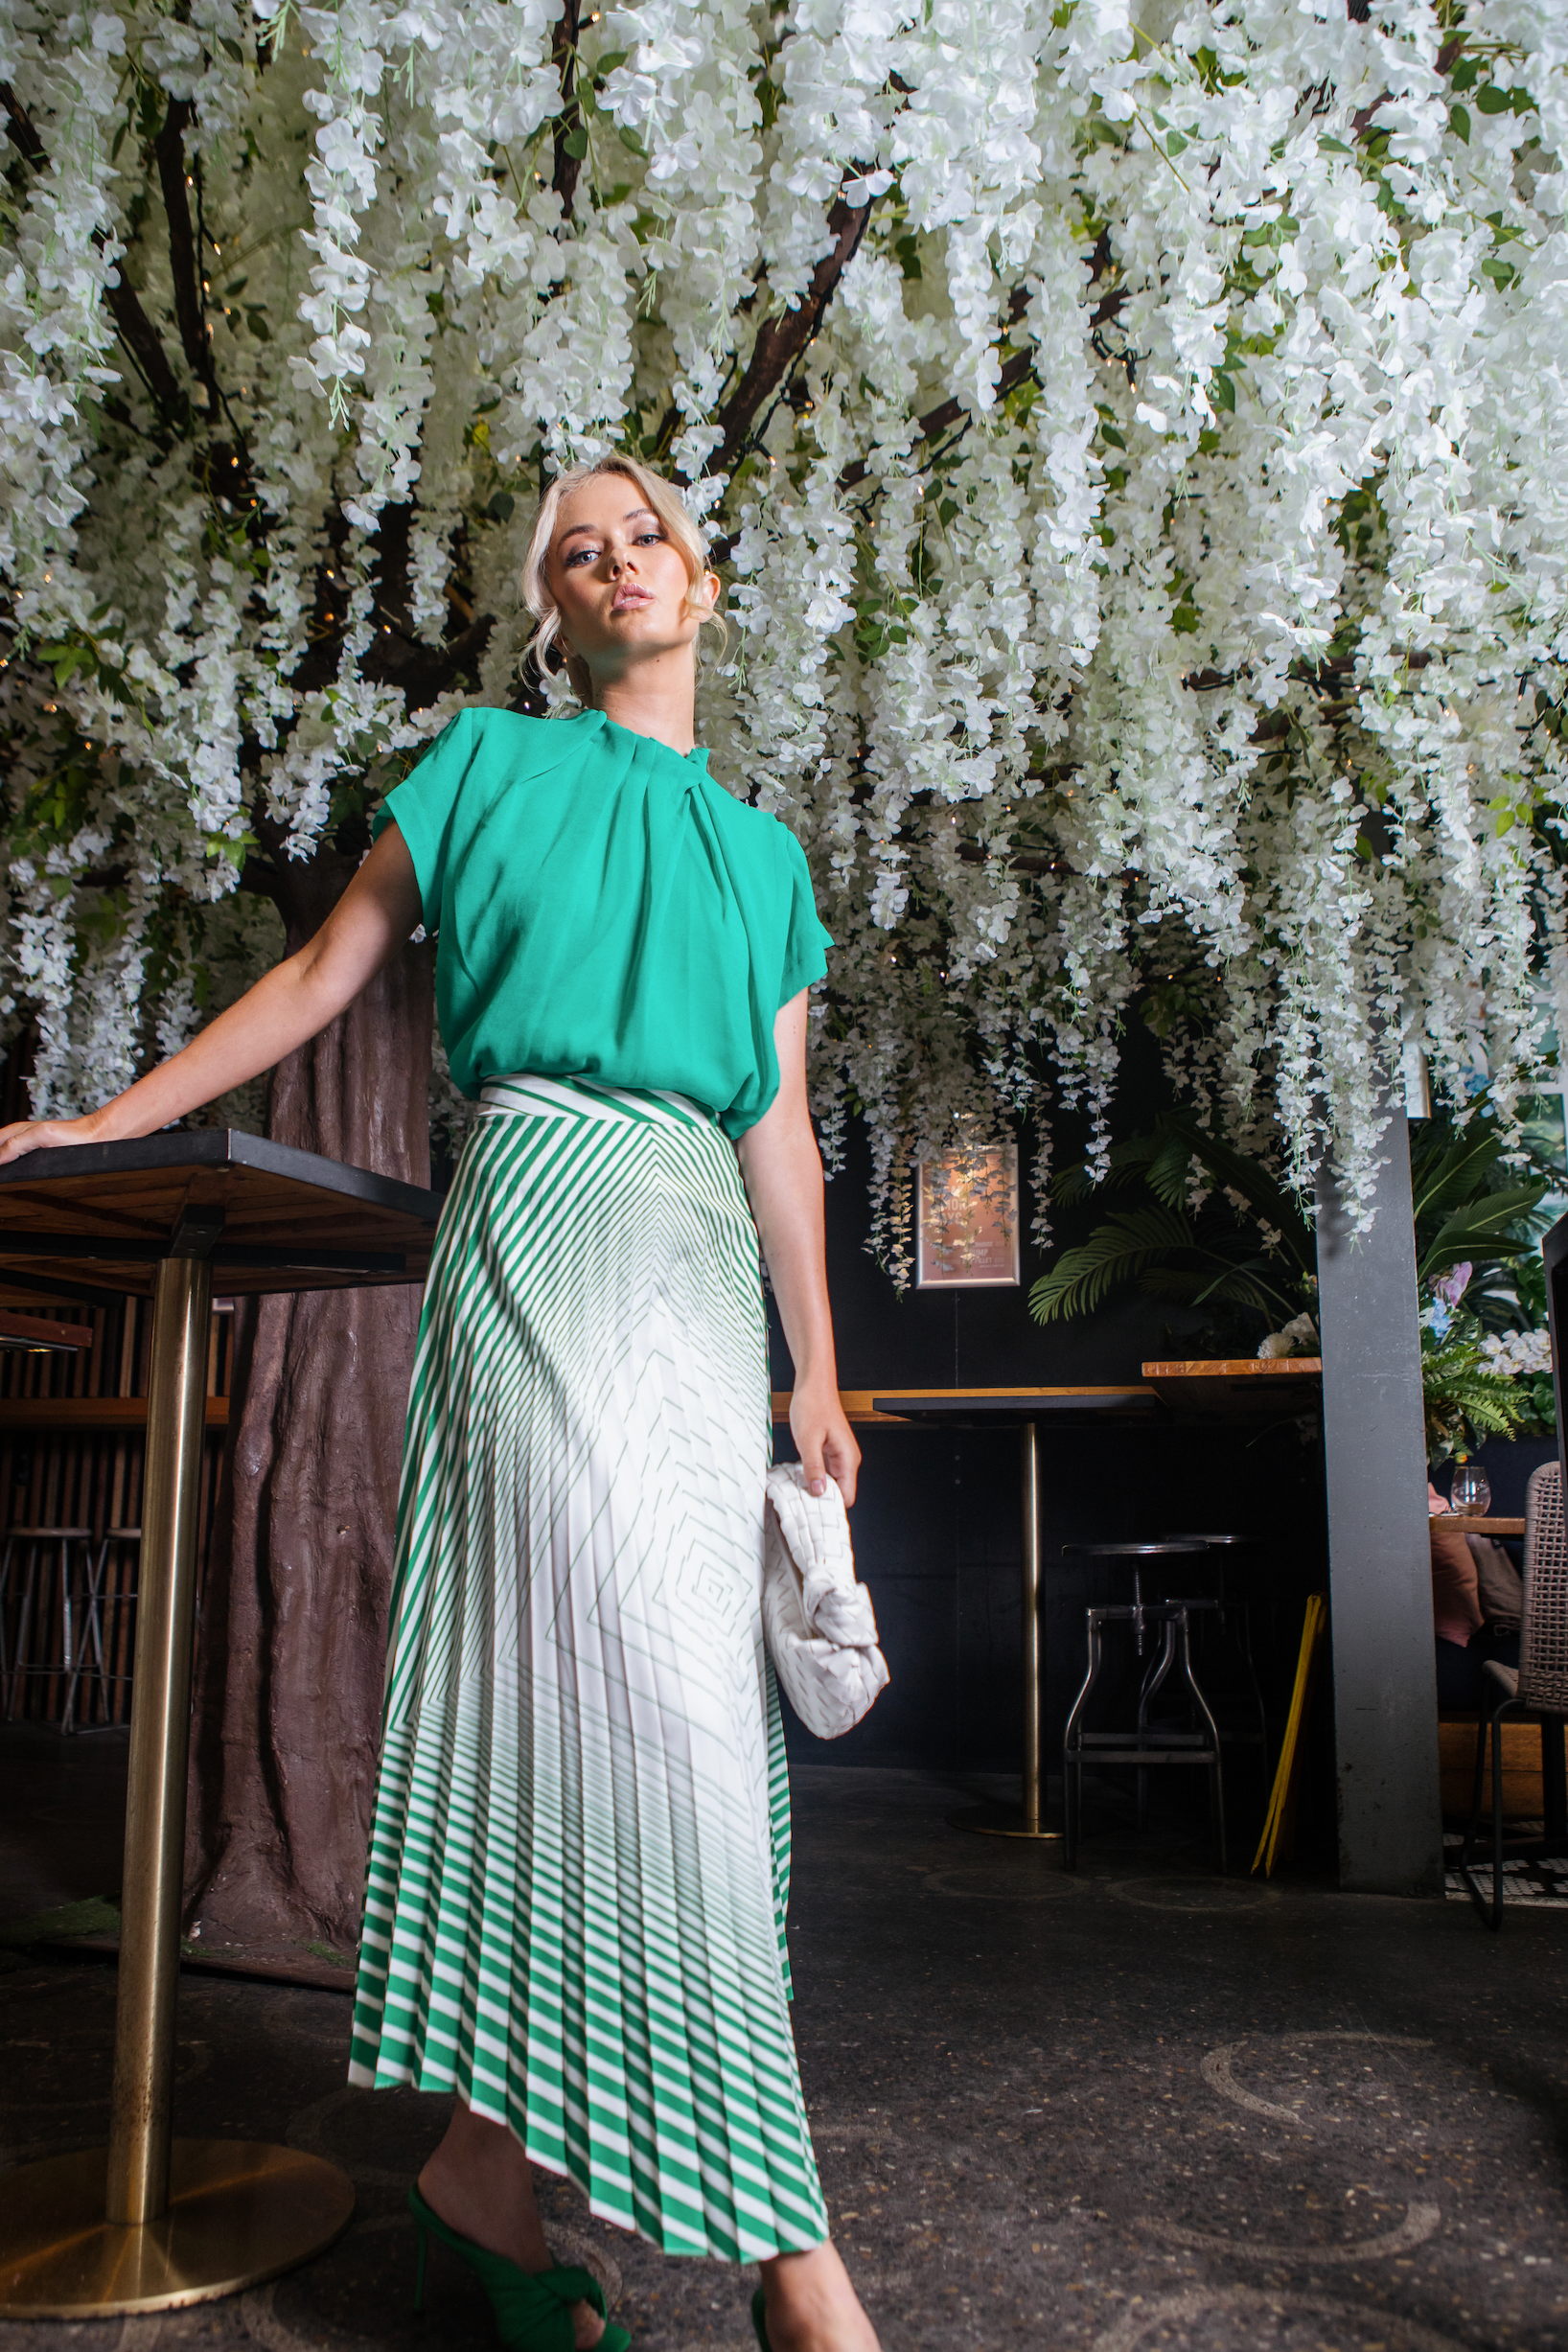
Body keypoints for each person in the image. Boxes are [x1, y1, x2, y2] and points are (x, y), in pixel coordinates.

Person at [0, 457, 877, 2352]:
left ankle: (480, 2184)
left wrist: (812, 1368)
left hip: (701, 1290)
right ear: (549, 617)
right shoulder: (482, 765)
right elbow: (320, 976)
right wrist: (111, 1117)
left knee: (670, 1736)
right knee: (645, 1730)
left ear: (700, 585)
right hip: (540, 1245)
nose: (617, 557)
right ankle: (798, 2279)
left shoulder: (771, 860)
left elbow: (779, 1134)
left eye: (644, 530)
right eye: (578, 548)